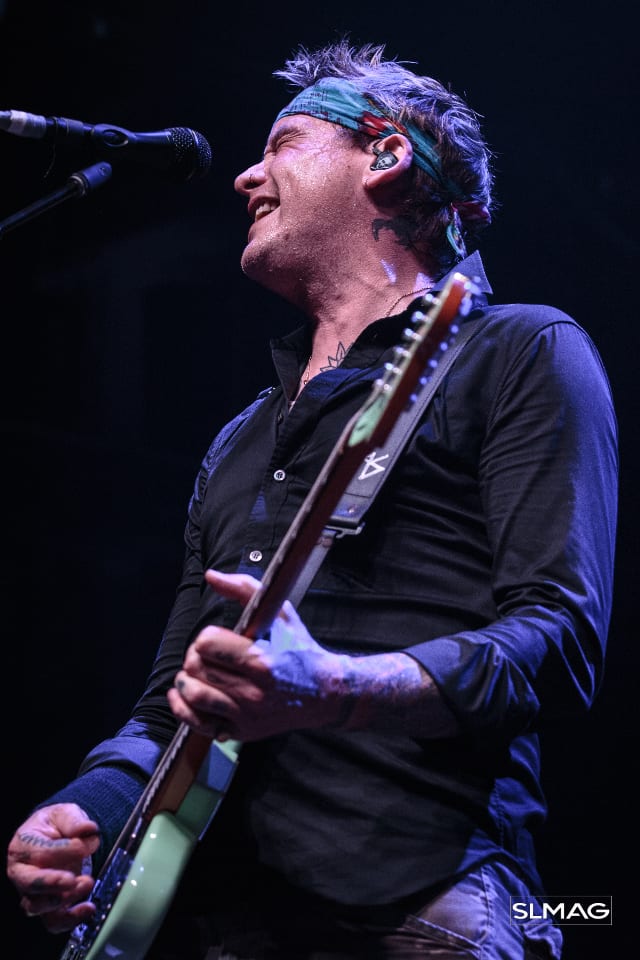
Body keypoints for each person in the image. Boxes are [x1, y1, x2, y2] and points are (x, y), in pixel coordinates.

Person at [6, 38, 617, 960]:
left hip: (423, 904)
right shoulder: (240, 437)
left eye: (284, 143)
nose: (246, 176)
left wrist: (333, 689)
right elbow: (168, 708)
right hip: (222, 924)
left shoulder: (522, 350)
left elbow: (558, 642)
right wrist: (78, 812)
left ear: (387, 155)